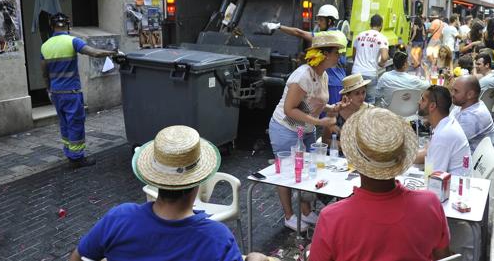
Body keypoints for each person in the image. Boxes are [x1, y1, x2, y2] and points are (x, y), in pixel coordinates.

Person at [69, 125, 270, 261]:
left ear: (154, 178)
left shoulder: (119, 218)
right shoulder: (216, 239)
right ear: (198, 182)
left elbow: (77, 256)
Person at [309, 108, 451, 261]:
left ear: (355, 160)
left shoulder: (332, 218)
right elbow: (442, 256)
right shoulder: (430, 203)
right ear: (401, 158)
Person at [268, 32, 349, 231]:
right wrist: (319, 122)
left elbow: (312, 104)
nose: (339, 56)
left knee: (307, 171)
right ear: (324, 54)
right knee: (287, 173)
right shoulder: (302, 75)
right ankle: (288, 216)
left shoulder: (323, 74)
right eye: (335, 52)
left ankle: (306, 212)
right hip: (285, 128)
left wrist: (333, 108)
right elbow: (290, 109)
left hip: (306, 129)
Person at [41, 13, 120, 168]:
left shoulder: (45, 46)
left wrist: (48, 90)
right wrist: (112, 53)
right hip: (71, 92)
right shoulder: (72, 41)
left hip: (56, 93)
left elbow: (44, 73)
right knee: (75, 123)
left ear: (52, 26)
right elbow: (94, 53)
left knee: (64, 123)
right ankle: (77, 158)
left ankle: (69, 152)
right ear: (68, 26)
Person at [262, 4, 347, 105]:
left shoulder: (328, 36)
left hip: (332, 83)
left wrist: (278, 26)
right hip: (336, 81)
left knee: (328, 115)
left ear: (329, 21)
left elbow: (300, 33)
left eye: (321, 20)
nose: (318, 23)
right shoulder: (340, 34)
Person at [414, 85, 471, 175]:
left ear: (432, 106)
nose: (419, 102)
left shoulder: (443, 135)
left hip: (451, 186)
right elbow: (428, 150)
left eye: (423, 99)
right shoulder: (447, 122)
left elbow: (433, 177)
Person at [323, 73, 373, 151]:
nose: (361, 97)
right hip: (339, 154)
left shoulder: (369, 110)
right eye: (357, 93)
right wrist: (347, 146)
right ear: (347, 95)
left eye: (363, 92)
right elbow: (325, 140)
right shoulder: (335, 110)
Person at [449, 75, 494, 152]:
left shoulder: (471, 117)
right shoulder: (465, 105)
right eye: (452, 90)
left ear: (470, 95)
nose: (452, 94)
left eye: (456, 91)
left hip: (467, 160)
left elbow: (447, 143)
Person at [350, 14, 389, 103]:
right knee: (369, 103)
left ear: (370, 24)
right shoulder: (382, 38)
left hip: (356, 72)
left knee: (354, 102)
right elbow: (385, 57)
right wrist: (380, 63)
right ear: (381, 25)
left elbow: (354, 56)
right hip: (370, 73)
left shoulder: (359, 36)